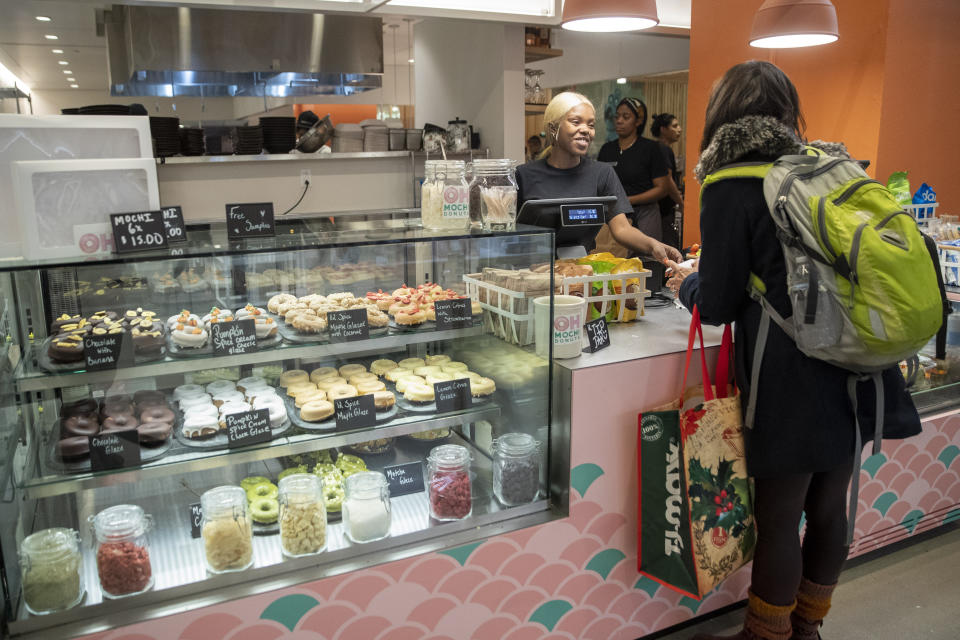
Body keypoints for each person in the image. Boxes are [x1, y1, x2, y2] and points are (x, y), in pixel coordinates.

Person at [665, 60, 921, 640]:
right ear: (788, 113)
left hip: (790, 373)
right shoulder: (827, 169)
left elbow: (724, 302)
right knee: (828, 508)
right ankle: (806, 628)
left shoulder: (729, 183)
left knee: (778, 518)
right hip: (860, 362)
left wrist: (686, 282)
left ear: (721, 115)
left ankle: (766, 634)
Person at [516, 92, 681, 262]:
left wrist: (653, 245)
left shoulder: (602, 174)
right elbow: (505, 234)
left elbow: (622, 229)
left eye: (591, 125)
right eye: (576, 122)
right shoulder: (523, 175)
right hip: (531, 273)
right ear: (553, 128)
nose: (585, 130)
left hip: (579, 273)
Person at [596, 98, 669, 244]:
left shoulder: (650, 148)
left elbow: (662, 188)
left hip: (644, 214)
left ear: (638, 121)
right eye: (617, 116)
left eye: (626, 117)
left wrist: (628, 200)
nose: (619, 120)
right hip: (614, 215)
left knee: (647, 258)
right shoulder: (607, 149)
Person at [651, 112, 684, 250]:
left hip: (660, 210)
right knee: (669, 246)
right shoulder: (662, 149)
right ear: (663, 129)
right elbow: (668, 179)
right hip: (662, 210)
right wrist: (681, 202)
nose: (680, 129)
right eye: (675, 126)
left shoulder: (659, 148)